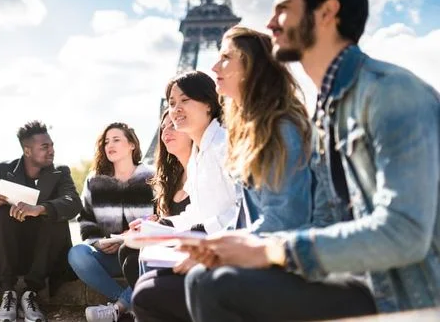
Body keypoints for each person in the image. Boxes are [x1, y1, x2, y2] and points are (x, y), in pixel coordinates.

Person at [184, 0, 440, 321]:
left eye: (283, 9)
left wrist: (272, 250)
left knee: (217, 286)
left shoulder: (390, 93)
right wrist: (243, 246)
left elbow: (406, 233)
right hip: (354, 279)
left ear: (327, 13)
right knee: (205, 278)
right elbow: (322, 218)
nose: (271, 23)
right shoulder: (326, 110)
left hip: (407, 295)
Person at [133, 30, 314, 322]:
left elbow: (280, 218)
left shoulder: (273, 132)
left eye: (225, 58)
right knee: (150, 278)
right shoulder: (252, 132)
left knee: (151, 292)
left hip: (278, 262)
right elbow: (244, 212)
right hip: (253, 249)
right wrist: (167, 227)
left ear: (251, 68)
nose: (214, 68)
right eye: (171, 103)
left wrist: (213, 248)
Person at [0, 121, 82, 322]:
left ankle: (31, 294)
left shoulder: (61, 173)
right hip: (8, 253)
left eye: (52, 145)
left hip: (44, 256)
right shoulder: (3, 170)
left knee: (53, 213)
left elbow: (72, 203)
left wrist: (40, 209)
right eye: (45, 147)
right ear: (27, 151)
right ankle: (8, 294)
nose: (52, 151)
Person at [68, 122, 155, 322]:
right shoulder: (94, 180)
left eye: (116, 139)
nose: (110, 145)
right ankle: (125, 303)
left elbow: (160, 217)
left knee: (151, 261)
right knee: (77, 254)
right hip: (109, 255)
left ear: (132, 144)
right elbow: (86, 220)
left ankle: (117, 308)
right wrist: (98, 242)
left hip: (141, 255)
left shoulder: (151, 177)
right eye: (106, 141)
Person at [118, 110, 193, 289]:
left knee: (137, 254)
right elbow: (167, 219)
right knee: (127, 251)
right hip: (171, 242)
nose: (166, 131)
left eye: (173, 125)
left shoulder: (203, 170)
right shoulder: (171, 178)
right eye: (163, 127)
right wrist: (152, 222)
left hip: (191, 245)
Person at [167, 71, 238, 233]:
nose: (176, 109)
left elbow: (246, 206)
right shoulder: (195, 156)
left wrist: (204, 229)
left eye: (184, 100)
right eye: (171, 103)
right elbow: (198, 212)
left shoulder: (225, 145)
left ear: (208, 104)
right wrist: (165, 224)